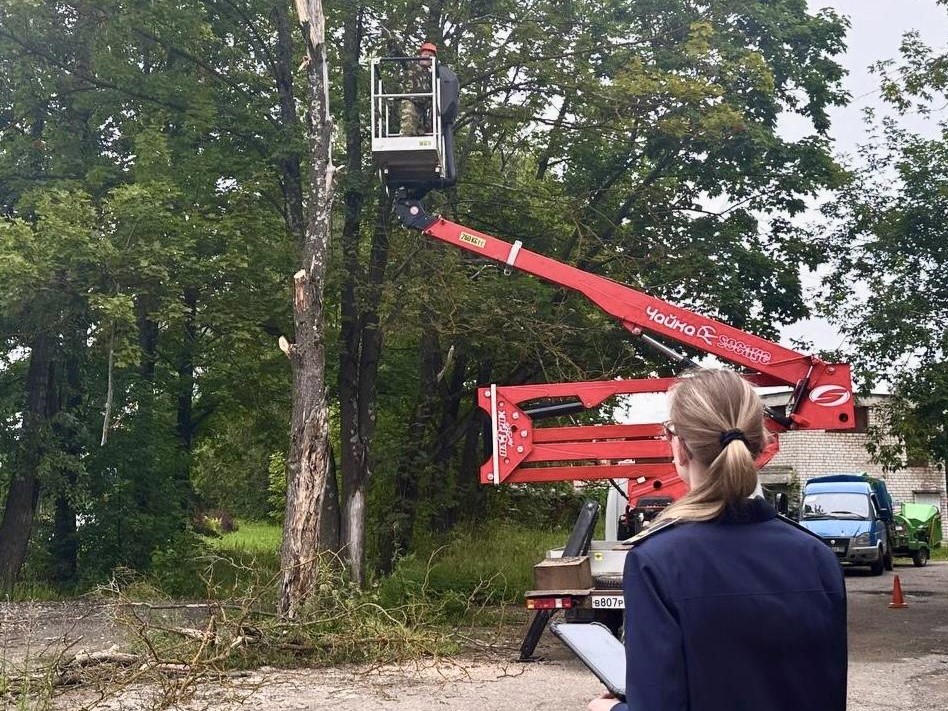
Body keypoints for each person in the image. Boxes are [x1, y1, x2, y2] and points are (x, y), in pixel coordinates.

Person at [588, 369, 847, 711]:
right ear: (762, 443)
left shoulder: (657, 561)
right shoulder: (817, 556)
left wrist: (609, 710)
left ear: (679, 448)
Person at [400, 41, 439, 136]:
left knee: (420, 135)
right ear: (421, 55)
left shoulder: (431, 76)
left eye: (430, 56)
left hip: (422, 109)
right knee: (408, 130)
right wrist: (391, 39)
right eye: (425, 54)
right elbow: (400, 53)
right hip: (410, 103)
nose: (427, 57)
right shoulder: (411, 65)